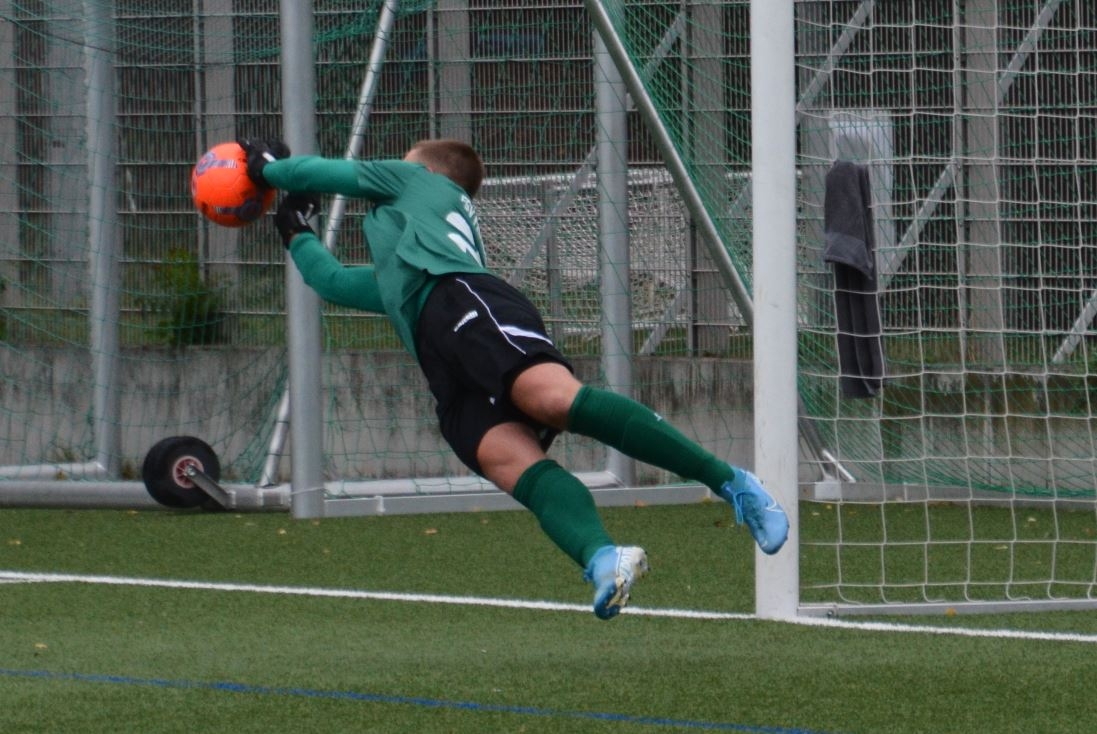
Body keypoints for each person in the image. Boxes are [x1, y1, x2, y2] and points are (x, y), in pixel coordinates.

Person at [239, 137, 789, 620]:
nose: (392, 175)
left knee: (552, 400)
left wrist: (268, 168)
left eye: (403, 165)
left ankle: (731, 481)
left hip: (465, 299)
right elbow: (333, 281)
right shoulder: (401, 268)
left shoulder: (419, 182)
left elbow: (331, 173)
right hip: (439, 351)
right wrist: (295, 230)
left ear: (424, 172)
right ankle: (603, 556)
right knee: (511, 462)